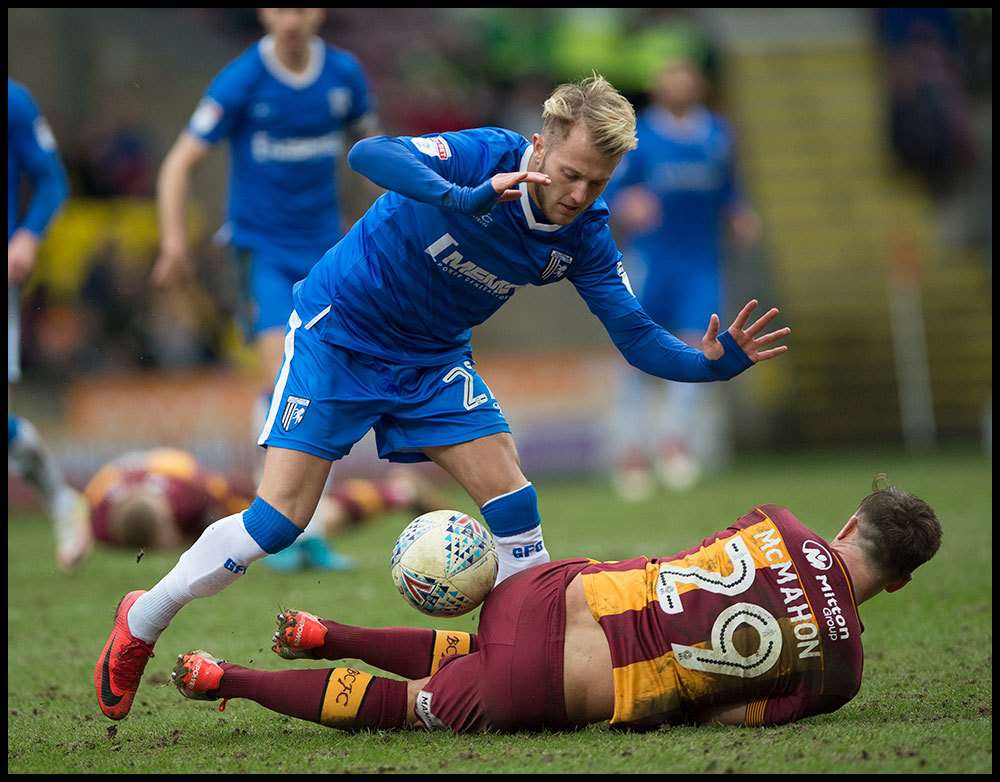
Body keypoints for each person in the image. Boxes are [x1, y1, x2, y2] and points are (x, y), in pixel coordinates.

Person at [95, 73, 790, 721]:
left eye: (596, 181)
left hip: (430, 362)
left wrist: (711, 367)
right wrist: (462, 195)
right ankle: (141, 621)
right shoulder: (484, 152)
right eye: (570, 173)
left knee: (513, 497)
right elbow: (370, 153)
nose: (579, 193)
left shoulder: (585, 236)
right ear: (540, 147)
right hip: (342, 336)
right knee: (278, 524)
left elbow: (635, 334)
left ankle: (532, 659)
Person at [171, 483, 942, 733]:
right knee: (410, 708)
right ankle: (225, 679)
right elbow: (718, 716)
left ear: (847, 525)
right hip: (550, 686)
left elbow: (692, 561)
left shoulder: (779, 521)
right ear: (900, 583)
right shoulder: (842, 676)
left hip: (539, 597)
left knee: (497, 637)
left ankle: (324, 630)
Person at [151, 7, 380, 570]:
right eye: (280, 7)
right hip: (261, 253)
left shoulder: (344, 76)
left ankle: (310, 529)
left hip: (325, 253)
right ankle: (274, 528)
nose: (291, 18)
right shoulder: (242, 79)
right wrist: (175, 243)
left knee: (321, 382)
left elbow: (376, 155)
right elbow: (179, 163)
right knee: (283, 375)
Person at [606, 56, 762, 497]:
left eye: (685, 79)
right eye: (669, 80)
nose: (678, 87)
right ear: (658, 89)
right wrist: (627, 203)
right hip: (652, 261)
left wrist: (739, 213)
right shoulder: (642, 137)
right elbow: (615, 188)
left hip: (701, 263)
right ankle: (631, 452)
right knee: (635, 353)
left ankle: (674, 443)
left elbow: (730, 187)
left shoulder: (718, 134)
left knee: (699, 347)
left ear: (697, 86)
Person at [83, 447, 446, 569]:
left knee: (295, 522)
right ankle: (398, 492)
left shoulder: (189, 494)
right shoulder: (100, 522)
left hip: (179, 468)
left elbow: (235, 499)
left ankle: (396, 491)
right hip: (144, 471)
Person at [7, 78, 90, 572]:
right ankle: (61, 501)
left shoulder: (14, 101)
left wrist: (27, 237)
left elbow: (53, 180)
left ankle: (62, 501)